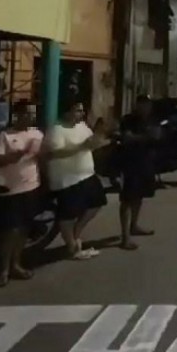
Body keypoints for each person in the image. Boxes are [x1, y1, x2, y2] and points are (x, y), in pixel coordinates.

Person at [0, 100, 44, 286]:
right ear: (17, 114)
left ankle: (16, 263)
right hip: (9, 190)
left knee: (24, 229)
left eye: (33, 113)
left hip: (31, 187)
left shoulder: (37, 134)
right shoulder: (3, 136)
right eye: (27, 113)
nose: (31, 116)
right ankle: (3, 269)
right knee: (10, 231)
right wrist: (15, 156)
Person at [43, 100, 110, 260]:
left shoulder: (82, 126)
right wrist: (81, 147)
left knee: (97, 202)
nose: (80, 114)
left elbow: (90, 143)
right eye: (77, 110)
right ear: (66, 112)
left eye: (81, 111)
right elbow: (55, 153)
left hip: (86, 173)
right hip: (67, 178)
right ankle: (72, 247)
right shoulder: (56, 130)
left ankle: (76, 234)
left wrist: (100, 140)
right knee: (68, 214)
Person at [117, 95, 159, 250]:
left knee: (140, 195)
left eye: (148, 104)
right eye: (143, 104)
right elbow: (127, 138)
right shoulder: (129, 120)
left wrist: (147, 137)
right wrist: (145, 137)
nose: (146, 108)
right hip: (131, 163)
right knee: (128, 199)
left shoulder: (152, 119)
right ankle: (125, 237)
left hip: (146, 162)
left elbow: (158, 136)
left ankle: (134, 225)